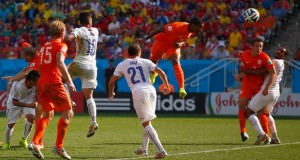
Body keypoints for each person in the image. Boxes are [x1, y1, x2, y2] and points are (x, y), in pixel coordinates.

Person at [108, 44, 170, 159]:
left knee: (146, 123)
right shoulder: (146, 61)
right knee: (147, 122)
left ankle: (161, 150)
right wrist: (166, 85)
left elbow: (111, 82)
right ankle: (145, 149)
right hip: (151, 90)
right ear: (139, 53)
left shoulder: (122, 64)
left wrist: (111, 93)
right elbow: (161, 72)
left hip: (138, 92)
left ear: (127, 53)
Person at [29, 20, 75, 160]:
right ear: (62, 32)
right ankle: (59, 147)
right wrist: (69, 80)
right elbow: (60, 63)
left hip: (42, 82)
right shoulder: (61, 45)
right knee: (68, 113)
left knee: (48, 113)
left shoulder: (44, 47)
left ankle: (35, 143)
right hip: (53, 82)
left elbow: (39, 67)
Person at [135, 16, 204, 99]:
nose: (201, 30)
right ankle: (153, 73)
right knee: (153, 61)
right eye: (199, 28)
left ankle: (182, 88)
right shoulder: (177, 27)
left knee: (175, 61)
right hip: (161, 42)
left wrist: (180, 44)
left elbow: (183, 40)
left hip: (172, 46)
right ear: (193, 25)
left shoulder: (192, 32)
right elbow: (160, 29)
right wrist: (144, 39)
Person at [65, 12, 99, 137]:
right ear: (90, 22)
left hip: (79, 63)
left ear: (80, 22)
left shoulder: (79, 30)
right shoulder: (95, 31)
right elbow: (84, 34)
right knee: (89, 96)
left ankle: (69, 101)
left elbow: (69, 38)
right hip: (92, 67)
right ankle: (93, 121)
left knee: (61, 78)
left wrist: (69, 32)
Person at [234, 38, 274, 142]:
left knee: (261, 111)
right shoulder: (244, 55)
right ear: (252, 46)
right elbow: (242, 70)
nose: (259, 48)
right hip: (247, 82)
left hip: (259, 84)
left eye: (261, 46)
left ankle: (267, 136)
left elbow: (271, 72)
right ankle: (243, 132)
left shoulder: (265, 57)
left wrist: (267, 87)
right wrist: (239, 75)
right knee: (241, 104)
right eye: (257, 46)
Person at [245, 47, 287, 145]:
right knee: (266, 114)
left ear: (284, 56)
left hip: (267, 91)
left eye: (282, 52)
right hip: (275, 92)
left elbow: (261, 70)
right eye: (278, 50)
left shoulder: (275, 61)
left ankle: (262, 134)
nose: (278, 52)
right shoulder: (282, 63)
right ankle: (275, 138)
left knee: (248, 112)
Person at [1, 70, 40, 150]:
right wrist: (29, 105)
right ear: (29, 80)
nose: (37, 83)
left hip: (28, 100)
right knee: (11, 124)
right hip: (14, 103)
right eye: (36, 81)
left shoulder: (36, 83)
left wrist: (35, 101)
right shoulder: (18, 86)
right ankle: (7, 142)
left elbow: (37, 93)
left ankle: (23, 139)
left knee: (31, 118)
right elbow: (15, 102)